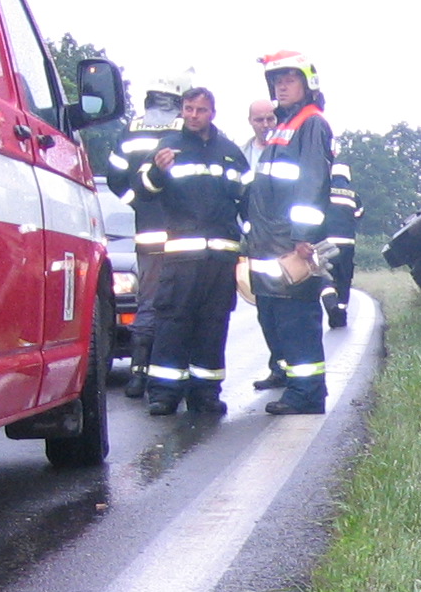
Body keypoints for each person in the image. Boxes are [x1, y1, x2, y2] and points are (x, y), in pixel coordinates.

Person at [134, 86, 248, 416]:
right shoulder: (167, 147)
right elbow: (142, 191)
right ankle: (164, 394)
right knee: (172, 323)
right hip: (181, 257)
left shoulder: (229, 152)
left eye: (201, 110)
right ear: (182, 110)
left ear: (213, 113)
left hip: (219, 259)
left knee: (213, 326)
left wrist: (252, 246)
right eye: (189, 109)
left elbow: (247, 199)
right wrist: (157, 170)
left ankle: (206, 393)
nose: (194, 115)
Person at [243, 51, 334, 415]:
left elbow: (311, 183)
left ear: (307, 83)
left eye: (289, 79)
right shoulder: (284, 125)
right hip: (270, 242)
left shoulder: (309, 123)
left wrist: (302, 236)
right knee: (279, 318)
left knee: (298, 320)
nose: (281, 86)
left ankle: (307, 393)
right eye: (276, 80)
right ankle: (297, 387)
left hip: (290, 243)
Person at [106, 75, 192, 397]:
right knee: (180, 305)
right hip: (183, 232)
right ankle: (171, 374)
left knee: (149, 301)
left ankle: (138, 374)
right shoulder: (187, 128)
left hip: (147, 232)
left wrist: (139, 202)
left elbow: (115, 177)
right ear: (177, 100)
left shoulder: (131, 129)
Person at [239, 99, 289, 392]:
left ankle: (290, 367)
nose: (266, 124)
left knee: (287, 307)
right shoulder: (241, 155)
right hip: (255, 245)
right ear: (250, 122)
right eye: (260, 120)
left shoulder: (286, 149)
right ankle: (278, 367)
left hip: (282, 242)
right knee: (266, 309)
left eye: (271, 118)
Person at [320, 159, 363, 329]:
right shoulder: (353, 195)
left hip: (326, 244)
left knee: (325, 277)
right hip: (347, 245)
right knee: (345, 279)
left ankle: (331, 303)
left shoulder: (322, 191)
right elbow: (359, 214)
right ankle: (341, 312)